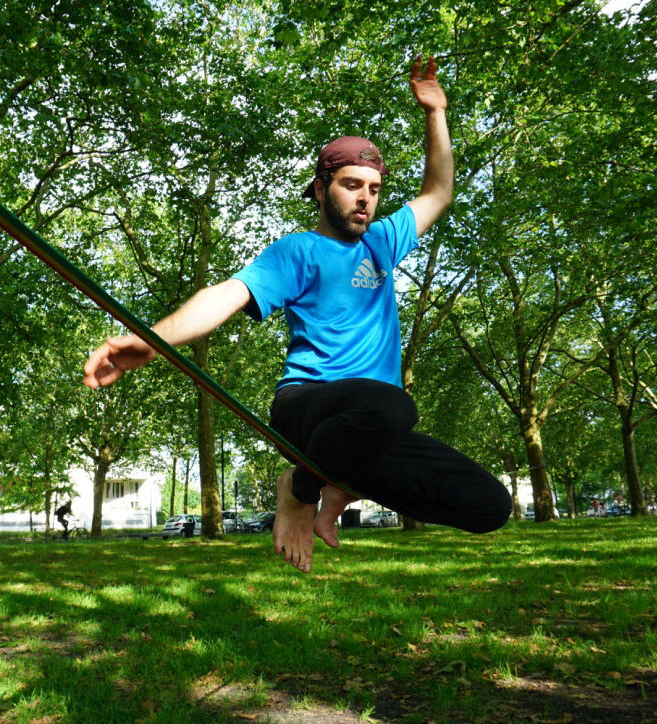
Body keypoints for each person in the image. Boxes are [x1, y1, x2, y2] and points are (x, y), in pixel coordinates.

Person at [83, 55, 512, 573]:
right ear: (320, 188)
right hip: (307, 409)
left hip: (368, 428)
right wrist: (151, 340)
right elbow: (226, 294)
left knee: (490, 506)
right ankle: (301, 485)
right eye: (353, 185)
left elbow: (438, 192)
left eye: (374, 190)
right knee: (393, 405)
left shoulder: (383, 242)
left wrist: (435, 113)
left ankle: (341, 482)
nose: (366, 200)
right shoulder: (298, 252)